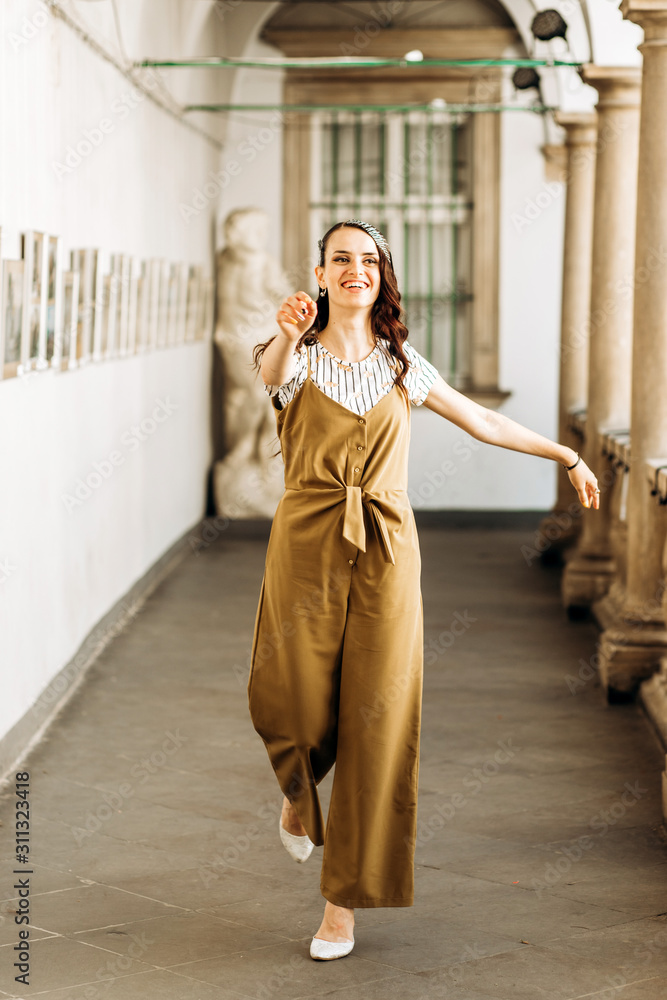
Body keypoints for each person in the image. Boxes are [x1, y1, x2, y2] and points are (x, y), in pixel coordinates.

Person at [247, 219, 600, 962]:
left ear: (381, 275)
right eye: (340, 259)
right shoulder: (297, 358)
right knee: (290, 695)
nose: (355, 270)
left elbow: (483, 421)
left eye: (367, 260)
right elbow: (269, 376)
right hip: (305, 547)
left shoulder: (405, 365)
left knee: (378, 725)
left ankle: (339, 909)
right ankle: (297, 786)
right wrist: (284, 332)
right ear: (319, 275)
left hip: (385, 551)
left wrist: (564, 452)